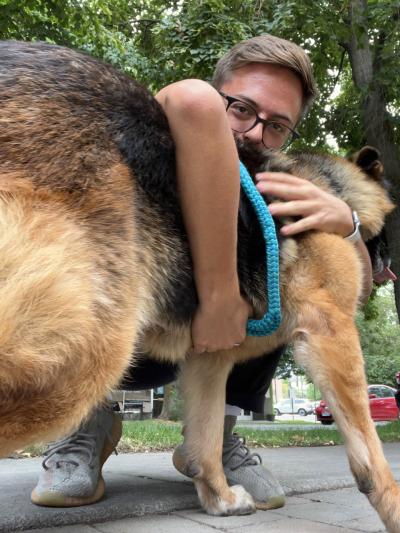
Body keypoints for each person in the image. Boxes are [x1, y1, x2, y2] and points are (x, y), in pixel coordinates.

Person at [31, 34, 372, 510]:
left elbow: (352, 294)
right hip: (128, 348)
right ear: (214, 97)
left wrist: (347, 223)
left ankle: (214, 437)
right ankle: (86, 424)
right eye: (241, 109)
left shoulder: (282, 181)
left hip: (226, 345)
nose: (255, 133)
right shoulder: (136, 142)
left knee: (293, 276)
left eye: (277, 126)